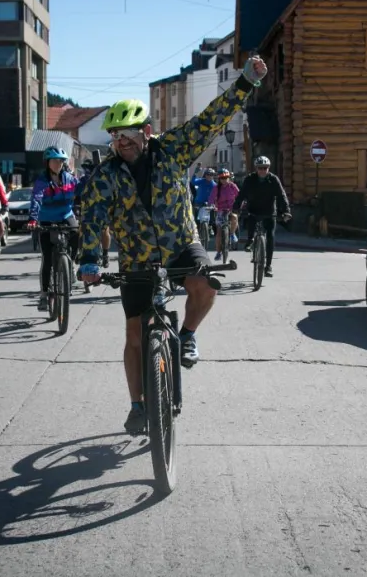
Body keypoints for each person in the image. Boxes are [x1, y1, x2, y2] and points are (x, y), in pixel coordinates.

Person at [77, 55, 267, 435]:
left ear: (146, 131)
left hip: (181, 243)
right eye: (115, 136)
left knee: (206, 285)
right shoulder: (106, 176)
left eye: (128, 134)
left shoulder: (173, 149)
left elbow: (211, 119)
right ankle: (136, 406)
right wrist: (89, 261)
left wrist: (246, 82)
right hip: (136, 257)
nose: (122, 142)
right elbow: (92, 217)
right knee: (134, 334)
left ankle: (189, 334)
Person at [28, 147, 80, 312]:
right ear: (47, 163)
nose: (58, 164)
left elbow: (83, 191)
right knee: (48, 259)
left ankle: (70, 263)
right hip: (46, 218)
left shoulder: (70, 179)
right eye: (55, 161)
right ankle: (44, 295)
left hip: (65, 215)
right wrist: (33, 219)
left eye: (61, 161)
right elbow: (36, 199)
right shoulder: (42, 181)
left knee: (77, 233)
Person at [232, 156, 291, 278]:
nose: (263, 170)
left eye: (265, 168)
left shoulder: (274, 179)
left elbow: (282, 196)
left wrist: (286, 211)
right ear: (256, 169)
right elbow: (241, 194)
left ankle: (268, 266)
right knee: (251, 223)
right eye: (260, 168)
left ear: (268, 168)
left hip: (269, 211)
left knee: (270, 237)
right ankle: (250, 241)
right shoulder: (250, 179)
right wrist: (236, 207)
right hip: (254, 209)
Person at [75, 158, 110, 267]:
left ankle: (105, 254)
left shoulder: (104, 179)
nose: (87, 171)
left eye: (89, 169)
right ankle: (80, 251)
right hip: (86, 212)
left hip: (102, 210)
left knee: (105, 231)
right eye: (85, 169)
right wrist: (76, 208)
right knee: (81, 230)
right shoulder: (82, 182)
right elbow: (76, 197)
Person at [208, 167, 239, 257]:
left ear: (229, 178)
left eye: (226, 178)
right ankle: (218, 252)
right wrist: (211, 205)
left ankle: (232, 234)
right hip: (220, 210)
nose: (224, 180)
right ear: (219, 179)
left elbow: (239, 195)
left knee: (235, 217)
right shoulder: (216, 188)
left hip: (231, 208)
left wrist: (242, 202)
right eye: (222, 178)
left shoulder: (232, 186)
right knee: (219, 232)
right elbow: (211, 198)